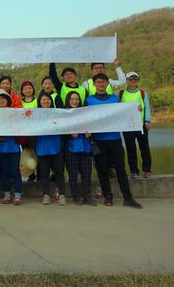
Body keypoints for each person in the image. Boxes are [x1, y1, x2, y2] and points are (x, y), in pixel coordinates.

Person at [86, 73, 142, 208]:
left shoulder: (115, 99)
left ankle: (128, 198)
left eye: (103, 81)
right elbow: (84, 118)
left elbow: (124, 113)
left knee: (120, 169)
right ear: (94, 84)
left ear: (107, 84)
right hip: (99, 141)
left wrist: (136, 110)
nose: (101, 84)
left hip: (115, 140)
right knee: (102, 170)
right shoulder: (89, 100)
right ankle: (108, 196)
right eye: (98, 82)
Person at [63, 91, 96, 206]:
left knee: (87, 173)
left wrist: (90, 133)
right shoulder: (64, 114)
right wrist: (69, 134)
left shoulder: (85, 113)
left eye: (76, 99)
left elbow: (92, 126)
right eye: (72, 99)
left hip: (85, 147)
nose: (74, 101)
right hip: (71, 148)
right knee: (73, 174)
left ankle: (87, 196)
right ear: (68, 100)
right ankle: (75, 196)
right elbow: (59, 131)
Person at [35, 92, 67, 206]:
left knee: (59, 173)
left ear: (51, 101)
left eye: (48, 99)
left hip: (56, 147)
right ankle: (46, 195)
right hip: (42, 147)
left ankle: (62, 195)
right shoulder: (35, 115)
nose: (46, 101)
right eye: (43, 100)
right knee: (44, 174)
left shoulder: (57, 113)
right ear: (39, 102)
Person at [0, 89, 23, 205]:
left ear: (8, 100)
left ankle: (18, 195)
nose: (1, 100)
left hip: (13, 145)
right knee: (4, 171)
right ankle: (7, 194)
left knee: (15, 171)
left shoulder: (14, 112)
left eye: (3, 98)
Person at [120, 72, 152, 179]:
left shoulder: (142, 93)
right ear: (126, 80)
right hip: (127, 126)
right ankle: (134, 171)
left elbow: (147, 107)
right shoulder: (120, 94)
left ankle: (147, 170)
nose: (133, 81)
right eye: (131, 79)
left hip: (140, 125)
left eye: (135, 79)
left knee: (144, 148)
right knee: (131, 149)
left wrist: (147, 121)